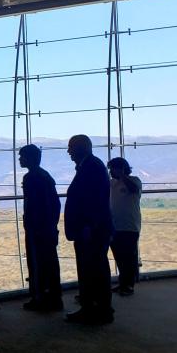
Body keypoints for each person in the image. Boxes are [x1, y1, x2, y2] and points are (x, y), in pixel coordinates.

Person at [63, 135, 114, 325]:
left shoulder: (90, 167)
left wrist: (88, 226)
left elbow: (94, 201)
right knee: (96, 268)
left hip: (91, 231)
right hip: (94, 229)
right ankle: (99, 308)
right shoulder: (92, 165)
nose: (68, 152)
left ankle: (94, 310)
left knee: (91, 269)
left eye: (71, 147)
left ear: (81, 148)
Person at [18, 144, 64, 311]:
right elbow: (54, 204)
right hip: (46, 227)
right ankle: (53, 298)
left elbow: (35, 205)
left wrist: (32, 224)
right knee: (49, 263)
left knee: (38, 264)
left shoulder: (31, 178)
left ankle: (41, 298)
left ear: (30, 158)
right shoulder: (44, 176)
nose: (19, 159)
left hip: (37, 228)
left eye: (22, 157)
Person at [108, 157, 142, 296]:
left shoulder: (134, 181)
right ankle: (123, 283)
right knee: (119, 257)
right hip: (115, 226)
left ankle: (129, 285)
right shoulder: (111, 183)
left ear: (121, 168)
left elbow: (134, 190)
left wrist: (122, 176)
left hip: (129, 226)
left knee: (128, 257)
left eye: (113, 169)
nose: (110, 172)